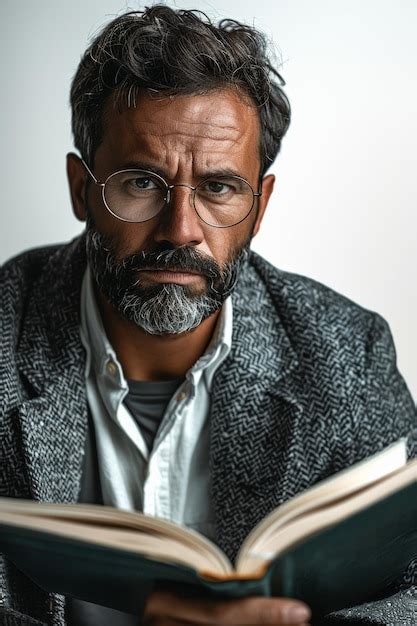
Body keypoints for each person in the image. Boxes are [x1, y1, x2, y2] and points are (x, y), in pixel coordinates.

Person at [1, 5, 416, 626]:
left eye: (219, 188)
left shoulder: (347, 352)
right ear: (81, 188)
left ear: (260, 203)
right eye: (141, 183)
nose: (181, 231)